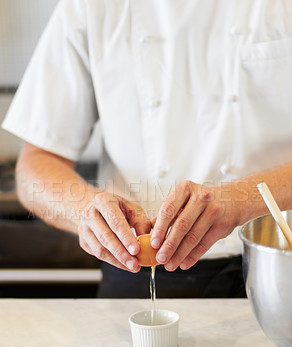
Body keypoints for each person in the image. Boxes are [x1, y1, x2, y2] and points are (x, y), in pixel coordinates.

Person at [3, 0, 292, 298]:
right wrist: (85, 212)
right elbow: (33, 169)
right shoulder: (90, 6)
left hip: (280, 262)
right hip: (134, 272)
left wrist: (242, 200)